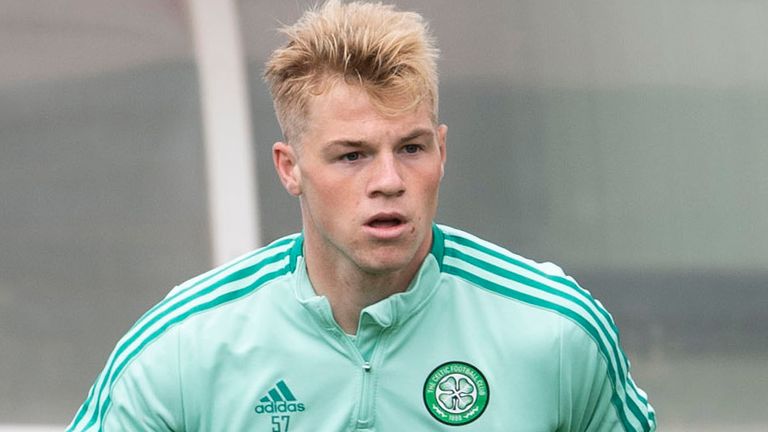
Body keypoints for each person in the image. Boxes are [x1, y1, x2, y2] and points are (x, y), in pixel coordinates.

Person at [68, 1, 656, 430]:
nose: (389, 182)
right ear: (289, 167)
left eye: (411, 148)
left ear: (442, 152)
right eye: (352, 155)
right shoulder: (185, 346)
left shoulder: (554, 331)